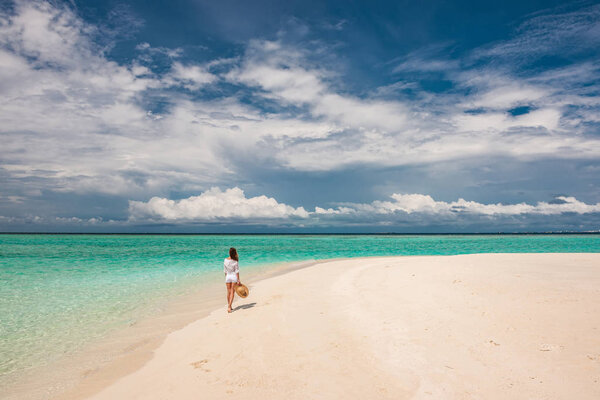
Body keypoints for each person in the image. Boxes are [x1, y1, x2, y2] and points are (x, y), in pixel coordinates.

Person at [224, 247, 241, 313]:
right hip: (233, 276)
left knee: (228, 292)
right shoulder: (235, 261)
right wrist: (238, 280)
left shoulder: (225, 260)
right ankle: (229, 307)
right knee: (232, 292)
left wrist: (226, 277)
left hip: (228, 276)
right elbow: (237, 271)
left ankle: (229, 306)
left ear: (229, 253)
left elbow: (225, 270)